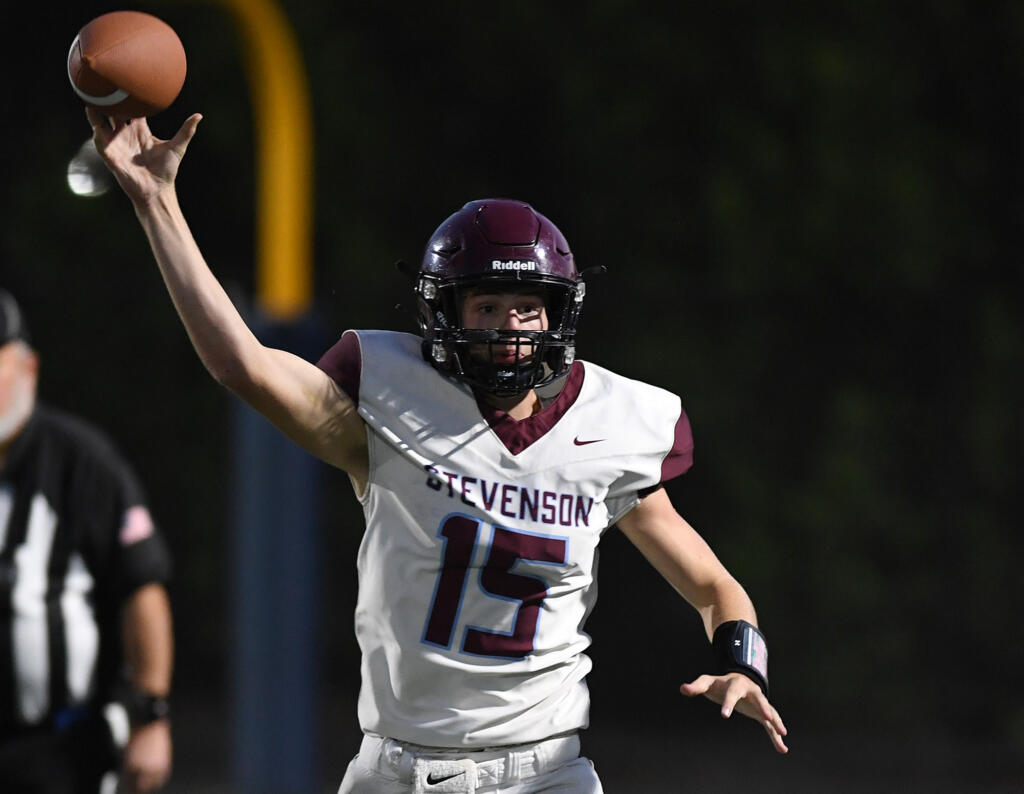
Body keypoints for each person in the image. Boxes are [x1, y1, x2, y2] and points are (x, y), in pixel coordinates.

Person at [86, 107, 788, 794]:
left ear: (559, 313)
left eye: (528, 307)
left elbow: (714, 587)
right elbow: (242, 363)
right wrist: (156, 203)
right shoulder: (390, 401)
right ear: (443, 314)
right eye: (486, 307)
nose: (510, 327)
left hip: (546, 772)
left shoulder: (612, 426)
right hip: (401, 771)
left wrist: (743, 664)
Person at [0, 288, 174, 794]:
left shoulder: (80, 461)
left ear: (28, 369)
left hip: (56, 749)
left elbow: (140, 587)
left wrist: (151, 717)